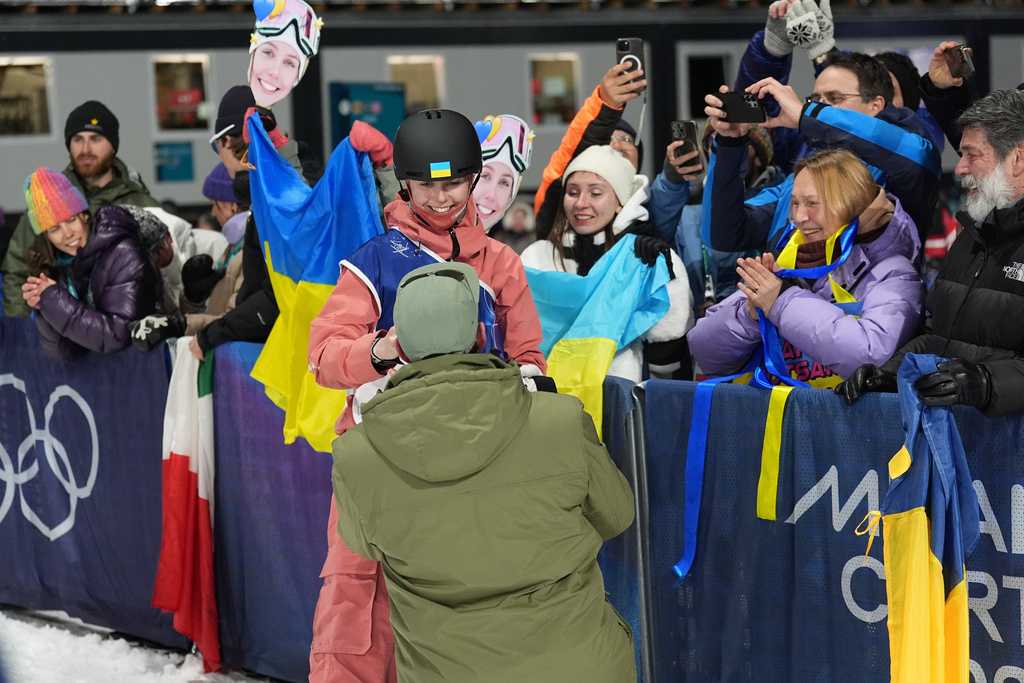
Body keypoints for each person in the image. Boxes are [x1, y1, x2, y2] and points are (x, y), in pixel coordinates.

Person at [306, 108, 547, 683]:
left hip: (466, 462)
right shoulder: (373, 263)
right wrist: (382, 350)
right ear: (406, 185)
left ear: (472, 181)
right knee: (357, 597)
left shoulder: (502, 266)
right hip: (379, 458)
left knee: (455, 605)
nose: (443, 199)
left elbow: (529, 356)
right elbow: (324, 357)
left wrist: (528, 382)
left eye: (454, 184)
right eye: (429, 186)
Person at [330, 261, 636, 683]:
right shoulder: (559, 420)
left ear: (398, 346)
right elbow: (617, 514)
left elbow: (365, 545)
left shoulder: (356, 455)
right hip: (579, 663)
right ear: (479, 335)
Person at [837, 90, 1024, 415]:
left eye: (971, 154)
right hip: (964, 447)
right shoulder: (974, 236)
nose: (961, 168)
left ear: (1018, 159)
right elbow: (938, 337)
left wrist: (986, 383)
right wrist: (889, 373)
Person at [689, 149, 923, 386]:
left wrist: (780, 301)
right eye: (795, 203)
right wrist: (748, 315)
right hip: (779, 420)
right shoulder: (787, 262)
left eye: (812, 203)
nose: (799, 217)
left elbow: (870, 355)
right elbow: (705, 354)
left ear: (850, 203)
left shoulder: (894, 272)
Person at [716, 8, 941, 245]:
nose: (823, 110)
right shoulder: (801, 175)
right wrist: (729, 143)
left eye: (834, 99)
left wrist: (808, 113)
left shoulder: (906, 162)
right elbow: (724, 235)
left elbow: (912, 152)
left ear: (878, 104)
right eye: (816, 100)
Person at [521, 145, 694, 381]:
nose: (581, 203)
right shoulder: (537, 257)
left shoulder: (645, 259)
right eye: (572, 192)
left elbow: (667, 363)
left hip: (621, 404)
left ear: (621, 202)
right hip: (549, 402)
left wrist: (663, 281)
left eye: (595, 193)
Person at [3, 100, 158, 317]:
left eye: (95, 139)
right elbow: (16, 269)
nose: (85, 149)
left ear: (113, 145)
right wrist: (23, 330)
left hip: (125, 332)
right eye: (77, 139)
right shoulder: (48, 199)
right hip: (60, 335)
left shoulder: (141, 202)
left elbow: (163, 270)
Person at [21, 168, 158, 360]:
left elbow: (117, 335)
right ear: (46, 237)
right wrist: (44, 306)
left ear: (84, 215)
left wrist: (54, 299)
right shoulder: (61, 266)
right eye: (54, 229)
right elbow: (65, 352)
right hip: (111, 382)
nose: (67, 233)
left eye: (71, 220)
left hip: (149, 374)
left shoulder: (122, 253)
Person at [533, 64, 647, 239]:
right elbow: (569, 154)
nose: (616, 145)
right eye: (573, 192)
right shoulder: (557, 228)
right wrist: (606, 105)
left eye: (626, 140)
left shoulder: (651, 218)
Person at [473, 114, 534, 232]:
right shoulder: (429, 244)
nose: (491, 195)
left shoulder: (503, 251)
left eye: (504, 183)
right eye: (485, 176)